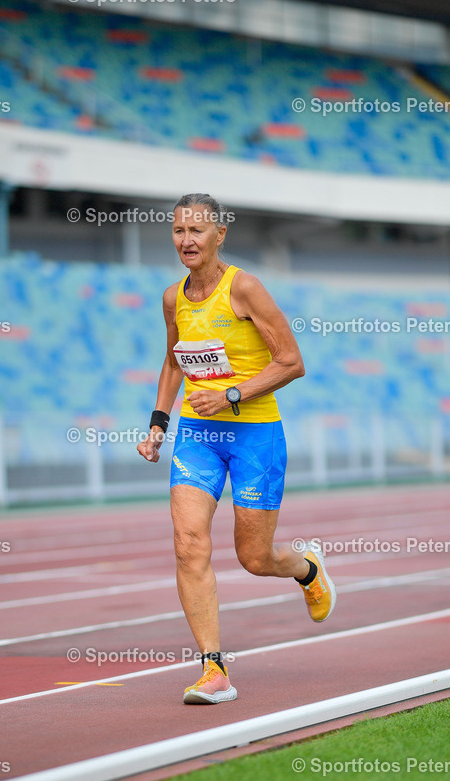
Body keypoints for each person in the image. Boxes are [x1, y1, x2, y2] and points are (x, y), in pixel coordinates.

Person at [137, 192, 336, 704]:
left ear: (219, 234)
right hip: (197, 434)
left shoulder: (244, 288)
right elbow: (173, 363)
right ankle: (214, 669)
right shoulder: (171, 297)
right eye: (179, 231)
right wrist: (158, 425)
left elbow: (292, 362)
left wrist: (231, 394)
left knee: (253, 556)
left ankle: (306, 567)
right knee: (188, 543)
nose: (186, 241)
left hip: (254, 435)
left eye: (196, 231)